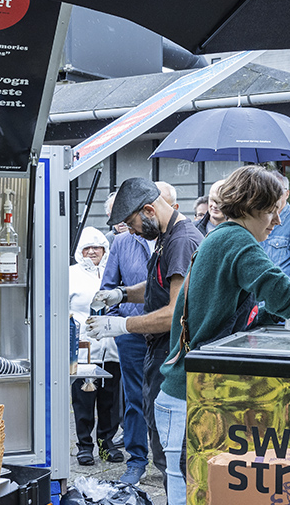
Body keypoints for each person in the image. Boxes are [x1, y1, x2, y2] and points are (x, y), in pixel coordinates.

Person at [155, 165, 290, 505]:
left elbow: (243, 308)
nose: (277, 220)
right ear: (257, 206)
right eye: (274, 209)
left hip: (182, 396)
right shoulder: (236, 239)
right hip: (187, 401)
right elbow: (280, 289)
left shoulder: (222, 238)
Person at [88, 178, 204, 487]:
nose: (133, 231)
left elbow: (173, 313)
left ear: (149, 210)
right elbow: (156, 288)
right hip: (159, 351)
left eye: (132, 223)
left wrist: (120, 325)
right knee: (156, 428)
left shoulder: (181, 241)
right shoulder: (166, 237)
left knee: (172, 454)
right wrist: (122, 294)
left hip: (171, 352)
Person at [100, 194, 154, 485]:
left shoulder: (175, 240)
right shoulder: (121, 243)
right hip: (131, 334)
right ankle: (136, 460)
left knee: (166, 398)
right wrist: (116, 321)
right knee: (134, 398)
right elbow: (108, 286)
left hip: (167, 332)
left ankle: (169, 458)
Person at [68, 227, 123, 466]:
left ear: (104, 249)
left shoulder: (113, 272)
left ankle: (106, 445)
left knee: (110, 402)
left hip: (112, 347)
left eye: (97, 247)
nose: (92, 252)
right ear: (80, 251)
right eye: (87, 248)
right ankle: (84, 446)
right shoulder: (70, 274)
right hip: (84, 349)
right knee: (83, 401)